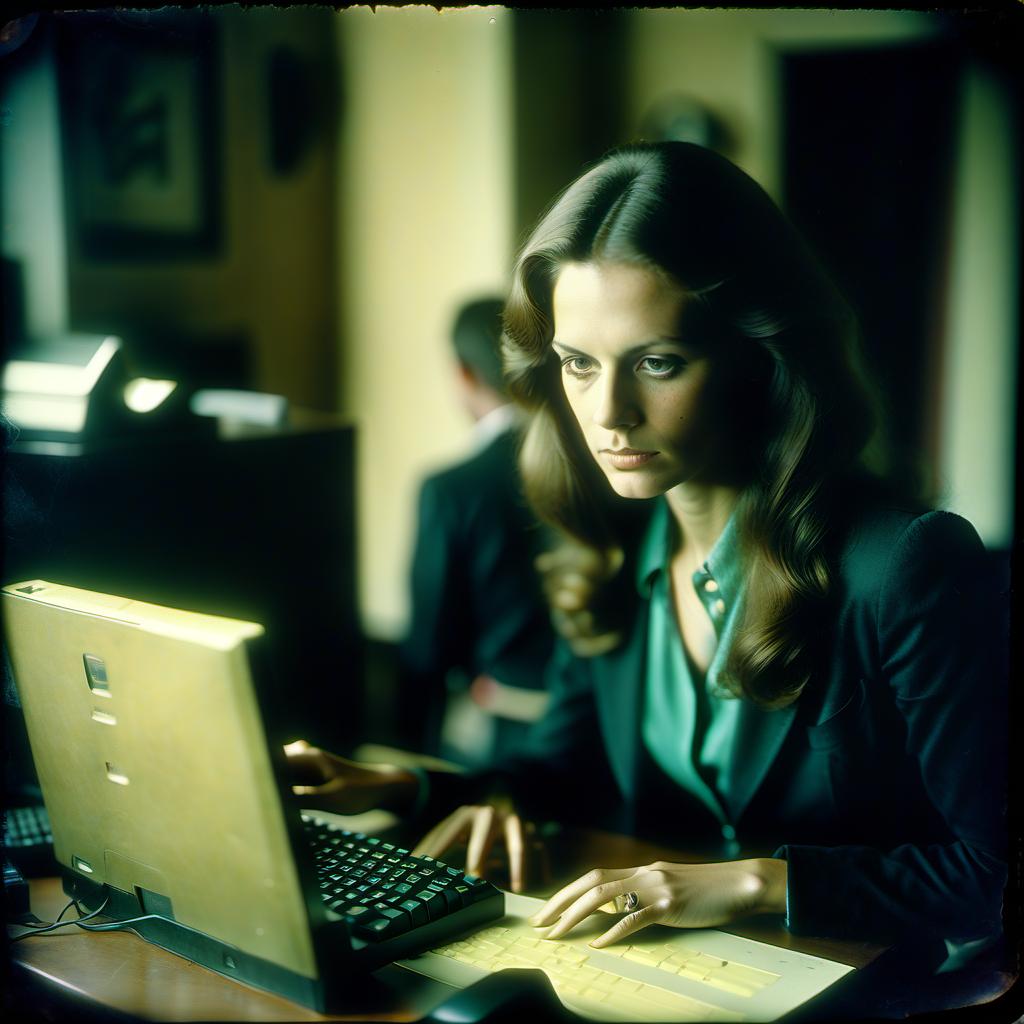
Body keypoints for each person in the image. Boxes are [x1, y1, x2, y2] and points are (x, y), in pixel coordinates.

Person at [287, 143, 1006, 971]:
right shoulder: (613, 543)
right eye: (578, 365)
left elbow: (992, 872)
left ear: (760, 354)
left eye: (658, 363)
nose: (609, 414)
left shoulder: (907, 563)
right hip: (665, 974)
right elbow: (559, 771)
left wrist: (753, 883)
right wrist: (401, 786)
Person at [398, 297, 555, 765]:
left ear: (463, 373)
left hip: (501, 726)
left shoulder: (451, 489)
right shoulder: (597, 471)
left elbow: (429, 643)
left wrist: (404, 758)